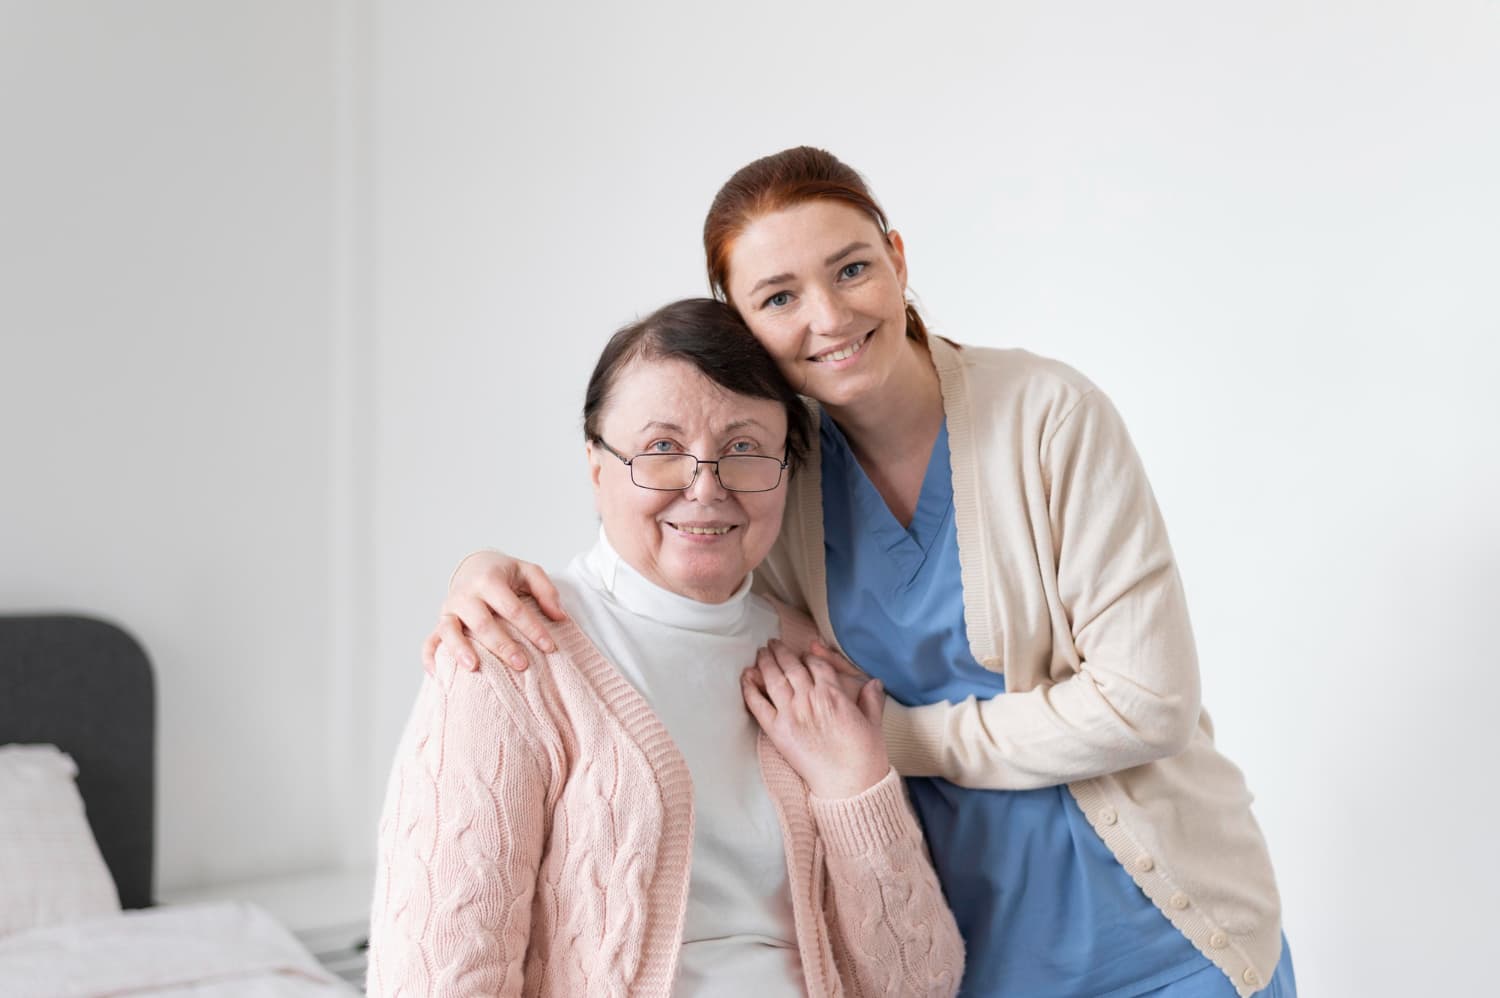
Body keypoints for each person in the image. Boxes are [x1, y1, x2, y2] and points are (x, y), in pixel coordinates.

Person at [426, 147, 1295, 998]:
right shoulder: (766, 470)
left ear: (897, 260)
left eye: (851, 269)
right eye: (779, 296)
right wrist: (481, 569)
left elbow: (1148, 703)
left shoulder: (1047, 417)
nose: (830, 316)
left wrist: (890, 741)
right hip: (959, 957)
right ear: (742, 324)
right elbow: (657, 558)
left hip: (1166, 938)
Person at [368, 298, 963, 998]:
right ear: (596, 467)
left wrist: (855, 787)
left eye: (744, 449)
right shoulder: (506, 654)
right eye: (661, 449)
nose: (705, 488)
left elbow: (920, 985)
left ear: (786, 470)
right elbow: (437, 980)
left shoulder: (815, 662)